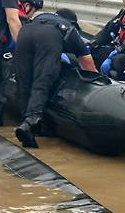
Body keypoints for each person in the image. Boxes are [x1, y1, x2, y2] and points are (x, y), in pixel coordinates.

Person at [14, 8, 97, 148]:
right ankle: (31, 121)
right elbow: (88, 65)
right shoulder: (70, 30)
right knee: (42, 80)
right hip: (48, 36)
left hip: (24, 32)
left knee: (24, 82)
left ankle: (26, 128)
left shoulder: (41, 18)